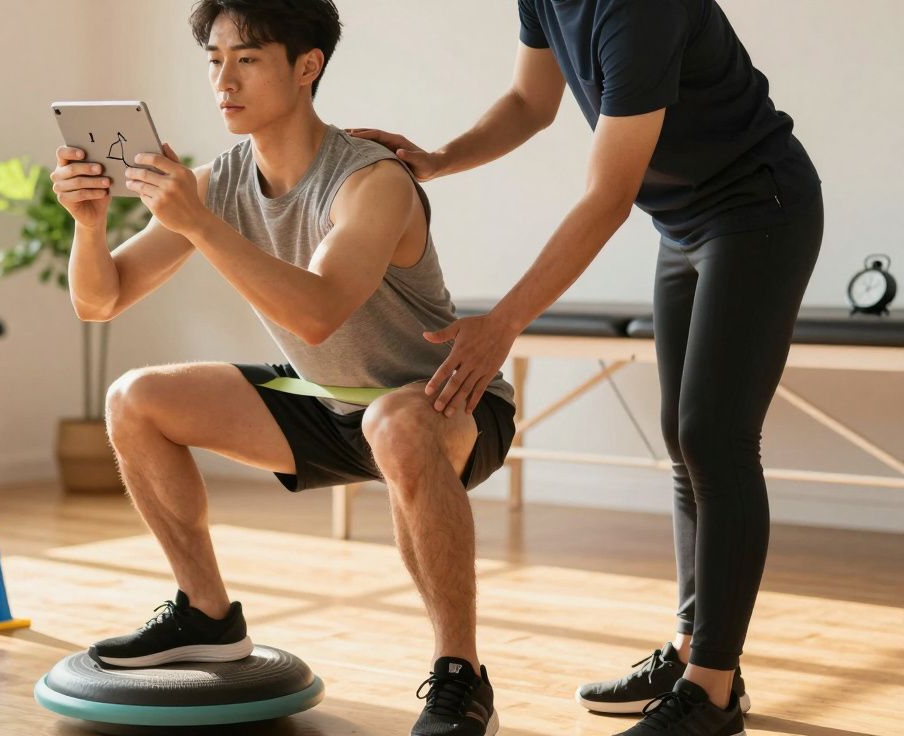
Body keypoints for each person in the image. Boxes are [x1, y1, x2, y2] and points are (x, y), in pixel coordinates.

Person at [350, 2, 822, 735]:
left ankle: (714, 692)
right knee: (684, 440)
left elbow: (608, 196)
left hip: (759, 206)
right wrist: (440, 159)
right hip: (685, 222)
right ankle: (694, 649)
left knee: (715, 438)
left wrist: (504, 322)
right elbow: (528, 102)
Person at [53, 1, 515, 734]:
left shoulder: (373, 182)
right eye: (214, 60)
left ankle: (461, 675)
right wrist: (88, 226)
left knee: (394, 420)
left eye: (248, 58)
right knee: (134, 398)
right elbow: (101, 300)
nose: (224, 80)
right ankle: (205, 613)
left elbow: (319, 310)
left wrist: (199, 224)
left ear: (308, 67)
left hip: (444, 402)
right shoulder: (218, 182)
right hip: (325, 399)